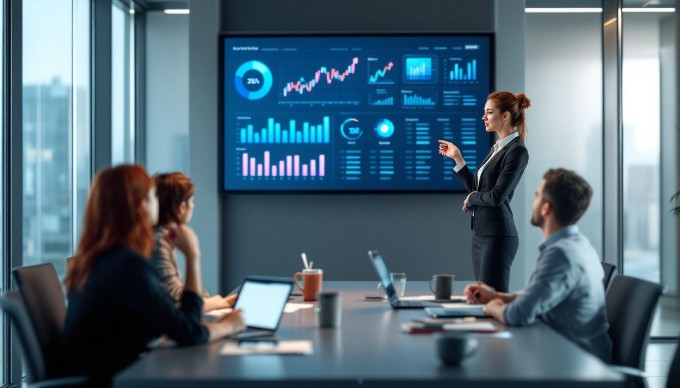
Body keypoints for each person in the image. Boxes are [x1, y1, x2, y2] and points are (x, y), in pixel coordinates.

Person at [62, 165, 245, 385]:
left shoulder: (99, 257)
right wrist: (228, 325)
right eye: (152, 196)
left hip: (111, 371)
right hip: (114, 379)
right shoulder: (126, 264)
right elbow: (188, 331)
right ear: (140, 206)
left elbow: (176, 322)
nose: (157, 202)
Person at [464, 168, 612, 362]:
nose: (533, 202)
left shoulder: (560, 254)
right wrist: (498, 295)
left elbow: (517, 315)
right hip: (572, 354)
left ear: (546, 208)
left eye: (537, 196)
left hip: (575, 363)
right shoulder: (580, 246)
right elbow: (538, 296)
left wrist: (492, 306)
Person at [438, 91, 531, 292]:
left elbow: (496, 196)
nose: (483, 117)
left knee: (492, 300)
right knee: (482, 299)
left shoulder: (517, 151)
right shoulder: (497, 148)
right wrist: (458, 159)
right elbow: (478, 189)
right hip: (481, 234)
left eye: (489, 112)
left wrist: (472, 198)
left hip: (498, 237)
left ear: (505, 116)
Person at [151, 172, 236, 312]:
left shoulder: (160, 238)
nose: (193, 206)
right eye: (192, 201)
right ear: (181, 208)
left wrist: (216, 300)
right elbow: (177, 303)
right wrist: (221, 302)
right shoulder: (159, 243)